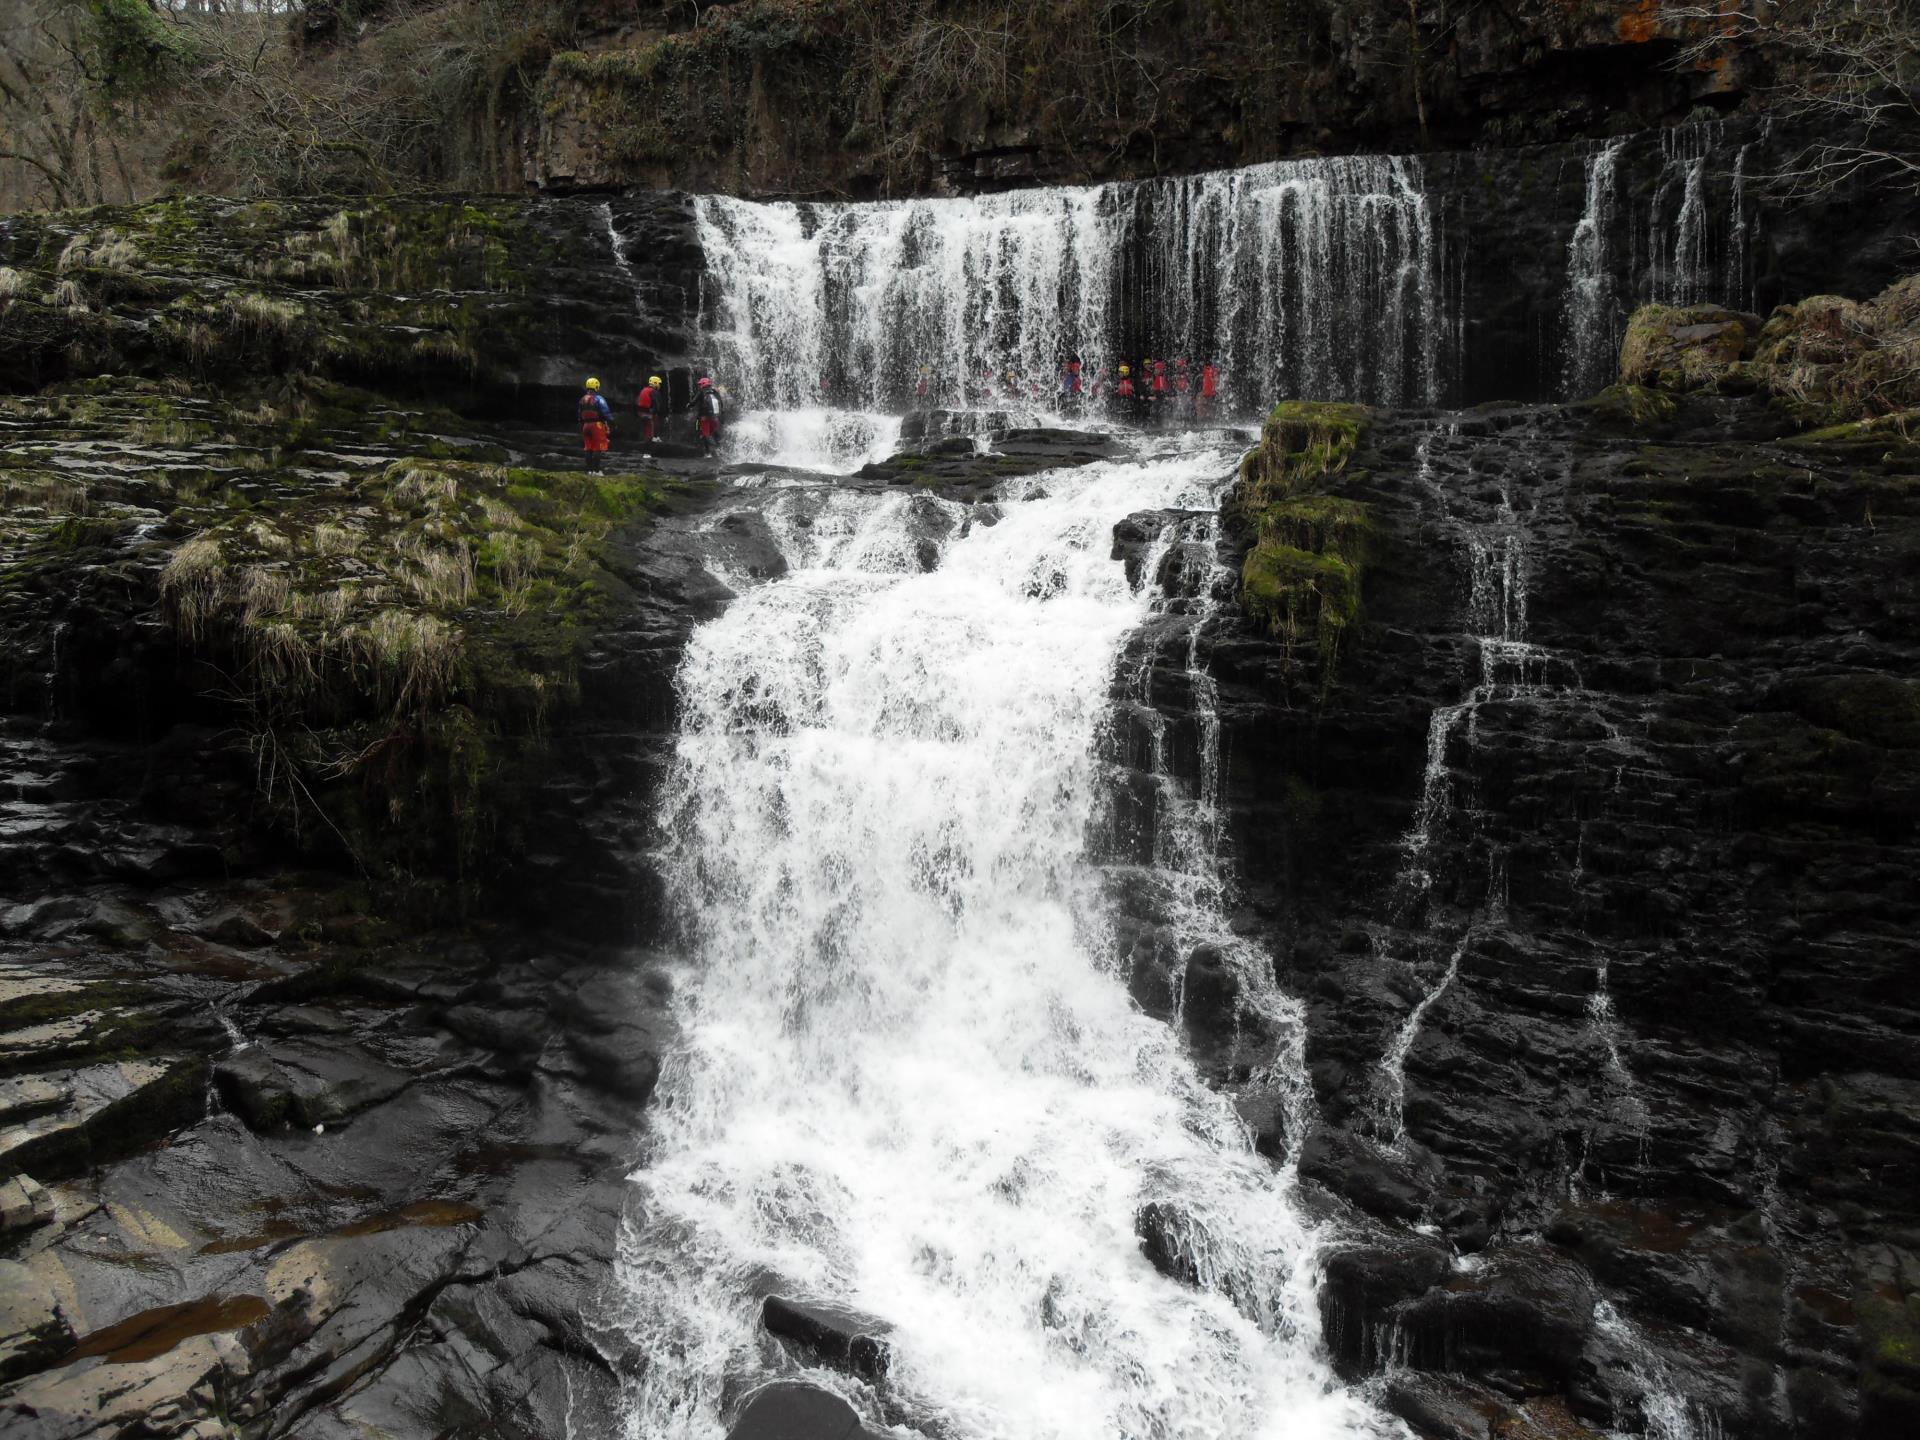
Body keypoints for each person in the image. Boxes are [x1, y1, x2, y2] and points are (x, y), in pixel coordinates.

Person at [578, 377, 612, 471]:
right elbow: (606, 412)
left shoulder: (582, 399)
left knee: (588, 447)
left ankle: (589, 470)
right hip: (596, 425)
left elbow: (579, 414)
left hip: (586, 426)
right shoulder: (599, 398)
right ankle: (596, 470)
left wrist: (582, 425)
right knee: (598, 448)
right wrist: (612, 422)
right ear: (596, 387)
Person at [695, 375, 723, 457]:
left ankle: (708, 453)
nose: (700, 386)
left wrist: (689, 405)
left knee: (705, 434)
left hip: (704, 417)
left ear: (703, 384)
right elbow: (720, 403)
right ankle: (720, 448)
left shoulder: (701, 392)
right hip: (714, 417)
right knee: (715, 432)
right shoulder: (715, 391)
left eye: (700, 384)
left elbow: (694, 401)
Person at [635, 374, 663, 445]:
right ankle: (653, 439)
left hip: (640, 412)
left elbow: (638, 401)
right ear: (655, 383)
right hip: (648, 412)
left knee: (647, 427)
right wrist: (655, 411)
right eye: (659, 384)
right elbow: (656, 404)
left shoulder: (644, 390)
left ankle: (649, 438)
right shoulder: (654, 391)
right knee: (653, 423)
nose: (659, 385)